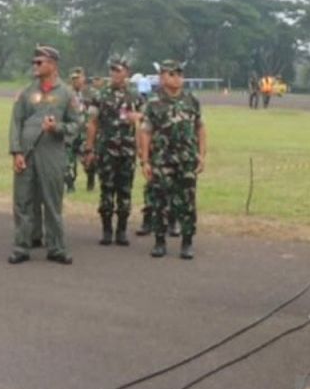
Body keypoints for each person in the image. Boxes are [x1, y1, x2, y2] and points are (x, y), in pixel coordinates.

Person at [8, 44, 84, 265]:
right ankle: (22, 246)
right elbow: (16, 123)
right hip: (27, 154)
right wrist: (16, 152)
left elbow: (77, 124)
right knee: (23, 201)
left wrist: (58, 127)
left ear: (52, 64)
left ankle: (56, 247)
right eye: (34, 62)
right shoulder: (26, 92)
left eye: (39, 62)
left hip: (52, 154)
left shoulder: (66, 93)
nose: (35, 66)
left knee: (52, 202)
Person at [140, 59, 206, 260]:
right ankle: (159, 242)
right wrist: (145, 161)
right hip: (162, 160)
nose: (177, 78)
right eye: (172, 74)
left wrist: (202, 155)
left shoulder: (191, 101)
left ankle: (187, 242)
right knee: (159, 201)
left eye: (180, 74)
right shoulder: (153, 103)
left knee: (187, 202)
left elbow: (200, 128)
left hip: (186, 160)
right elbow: (145, 133)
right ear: (162, 78)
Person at [84, 56, 143, 246]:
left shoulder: (135, 96)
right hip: (106, 149)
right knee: (106, 189)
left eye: (118, 70)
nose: (115, 74)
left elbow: (146, 121)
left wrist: (138, 117)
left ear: (127, 72)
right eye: (112, 70)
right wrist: (89, 149)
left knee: (125, 190)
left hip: (127, 150)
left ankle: (122, 230)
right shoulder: (100, 95)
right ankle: (107, 229)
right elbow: (92, 123)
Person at [66, 67, 97, 193]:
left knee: (88, 160)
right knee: (68, 161)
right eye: (74, 79)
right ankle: (70, 186)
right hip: (71, 133)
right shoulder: (67, 94)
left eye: (79, 78)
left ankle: (90, 180)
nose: (77, 81)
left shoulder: (90, 94)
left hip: (84, 133)